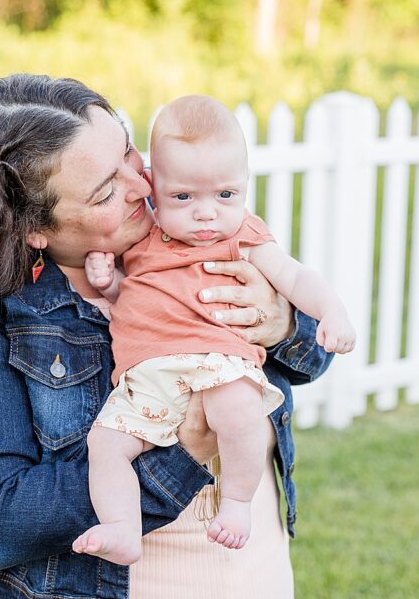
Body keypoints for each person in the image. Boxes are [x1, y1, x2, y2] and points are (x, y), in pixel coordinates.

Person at [0, 74, 332, 599]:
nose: (141, 185)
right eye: (104, 192)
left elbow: (313, 356)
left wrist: (283, 322)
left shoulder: (193, 229)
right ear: (33, 230)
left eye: (127, 151)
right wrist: (181, 452)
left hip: (254, 586)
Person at [71, 95, 354, 564]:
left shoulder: (243, 235)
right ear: (153, 187)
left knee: (238, 411)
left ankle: (238, 503)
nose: (207, 213)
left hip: (218, 362)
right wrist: (109, 283)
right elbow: (137, 299)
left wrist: (332, 313)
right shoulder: (142, 238)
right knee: (106, 445)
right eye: (183, 197)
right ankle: (122, 528)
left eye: (225, 195)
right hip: (148, 375)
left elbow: (296, 278)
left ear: (244, 186)